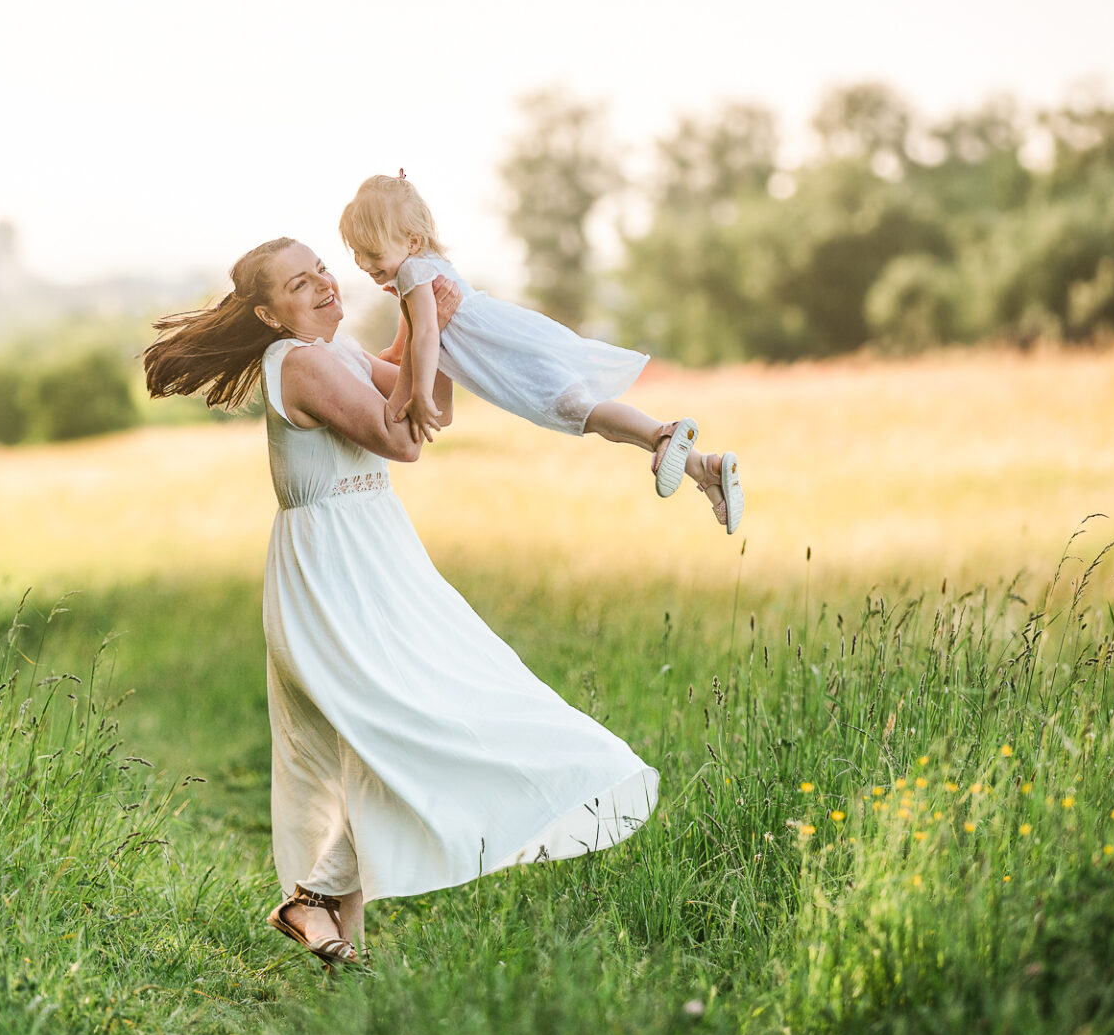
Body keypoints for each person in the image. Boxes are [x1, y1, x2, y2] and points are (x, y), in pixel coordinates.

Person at [143, 237, 661, 969]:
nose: (324, 283)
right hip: (336, 571)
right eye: (301, 282)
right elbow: (402, 438)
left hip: (376, 560)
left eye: (321, 268)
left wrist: (429, 326)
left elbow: (428, 405)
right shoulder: (302, 362)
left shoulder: (338, 352)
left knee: (366, 746)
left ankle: (331, 939)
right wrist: (423, 322)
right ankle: (313, 900)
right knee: (402, 729)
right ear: (268, 312)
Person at [341, 171, 745, 534]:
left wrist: (420, 396)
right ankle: (705, 469)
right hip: (511, 340)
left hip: (504, 358)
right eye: (356, 253)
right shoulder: (426, 265)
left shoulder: (412, 273)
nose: (362, 263)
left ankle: (663, 432)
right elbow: (407, 341)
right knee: (588, 416)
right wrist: (385, 359)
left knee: (582, 412)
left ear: (410, 241)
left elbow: (427, 334)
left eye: (372, 253)